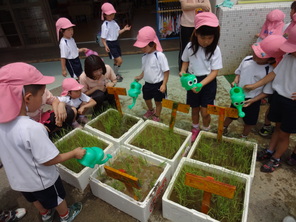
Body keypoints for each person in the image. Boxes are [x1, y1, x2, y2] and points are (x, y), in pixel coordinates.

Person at [0, 62, 85, 222]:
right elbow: (49, 160)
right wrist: (74, 153)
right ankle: (66, 216)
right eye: (41, 95)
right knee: (57, 198)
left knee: (34, 199)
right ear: (28, 98)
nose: (44, 98)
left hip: (18, 181)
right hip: (42, 181)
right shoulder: (32, 128)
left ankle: (46, 214)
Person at [244, 26, 296, 173]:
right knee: (277, 127)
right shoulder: (288, 57)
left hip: (293, 103)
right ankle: (270, 150)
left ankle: (276, 158)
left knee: (285, 133)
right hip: (279, 97)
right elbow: (273, 74)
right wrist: (255, 85)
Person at [223, 35, 286, 139]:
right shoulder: (247, 59)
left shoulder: (269, 70)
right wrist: (235, 81)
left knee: (250, 121)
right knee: (231, 114)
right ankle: (224, 127)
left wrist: (252, 100)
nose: (254, 56)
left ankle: (244, 136)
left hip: (253, 100)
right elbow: (239, 73)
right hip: (238, 96)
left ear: (270, 60)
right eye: (255, 52)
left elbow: (267, 92)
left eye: (259, 56)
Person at [179, 12, 222, 142]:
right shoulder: (190, 47)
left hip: (207, 82)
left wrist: (200, 84)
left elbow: (214, 72)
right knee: (195, 108)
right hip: (192, 79)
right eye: (203, 38)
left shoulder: (215, 50)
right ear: (196, 33)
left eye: (210, 38)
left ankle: (206, 129)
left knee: (205, 111)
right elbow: (185, 61)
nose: (206, 41)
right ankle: (195, 128)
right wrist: (182, 71)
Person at [133, 26, 169, 122]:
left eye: (144, 47)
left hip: (158, 84)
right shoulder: (144, 57)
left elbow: (166, 71)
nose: (142, 49)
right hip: (148, 83)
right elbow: (145, 69)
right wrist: (140, 76)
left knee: (158, 101)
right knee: (147, 98)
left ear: (152, 44)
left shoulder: (160, 56)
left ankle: (157, 115)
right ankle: (150, 110)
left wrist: (164, 84)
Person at [100, 2, 131, 82]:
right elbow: (103, 38)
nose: (111, 16)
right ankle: (114, 75)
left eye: (112, 14)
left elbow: (117, 32)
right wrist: (106, 46)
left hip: (116, 42)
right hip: (110, 44)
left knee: (115, 60)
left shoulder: (114, 22)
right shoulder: (105, 25)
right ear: (105, 15)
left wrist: (124, 29)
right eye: (109, 14)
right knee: (120, 61)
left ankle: (114, 74)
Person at [178, 0, 211, 70]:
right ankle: (183, 70)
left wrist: (209, 22)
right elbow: (184, 6)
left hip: (201, 24)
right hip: (187, 25)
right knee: (185, 48)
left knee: (200, 48)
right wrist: (201, 5)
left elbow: (208, 7)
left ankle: (198, 68)